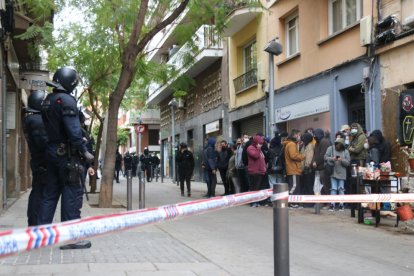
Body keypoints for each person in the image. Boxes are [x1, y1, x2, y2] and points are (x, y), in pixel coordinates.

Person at [39, 67, 94, 249]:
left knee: (50, 194)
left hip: (52, 151)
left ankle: (40, 237)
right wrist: (84, 151)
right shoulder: (67, 101)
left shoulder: (48, 100)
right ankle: (71, 239)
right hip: (67, 155)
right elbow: (73, 131)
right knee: (71, 194)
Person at [22, 90, 48, 226]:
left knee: (37, 191)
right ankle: (35, 223)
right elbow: (44, 143)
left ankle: (34, 222)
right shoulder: (37, 121)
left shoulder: (30, 119)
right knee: (40, 193)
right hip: (42, 161)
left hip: (37, 160)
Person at [325, 138, 350, 211]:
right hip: (333, 171)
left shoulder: (346, 152)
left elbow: (348, 163)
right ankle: (332, 204)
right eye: (337, 144)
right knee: (333, 189)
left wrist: (342, 160)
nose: (337, 146)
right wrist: (332, 158)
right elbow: (325, 157)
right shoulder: (331, 148)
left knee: (341, 189)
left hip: (342, 172)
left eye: (339, 145)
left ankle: (341, 204)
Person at [283, 129, 305, 208]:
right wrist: (303, 156)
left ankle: (294, 202)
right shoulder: (291, 144)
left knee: (295, 186)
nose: (299, 136)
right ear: (294, 135)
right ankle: (291, 202)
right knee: (294, 186)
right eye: (298, 135)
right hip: (293, 168)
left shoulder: (291, 144)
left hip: (293, 168)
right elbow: (293, 156)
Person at [247, 134, 266, 207]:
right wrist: (258, 149)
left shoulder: (260, 150)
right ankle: (253, 202)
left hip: (260, 172)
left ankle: (257, 201)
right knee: (254, 188)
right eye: (259, 143)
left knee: (258, 188)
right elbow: (255, 156)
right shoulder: (250, 148)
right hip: (254, 172)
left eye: (261, 143)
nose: (260, 145)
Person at [312, 128, 332, 196]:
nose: (314, 136)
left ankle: (328, 202)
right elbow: (315, 154)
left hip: (324, 167)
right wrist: (314, 162)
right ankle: (324, 201)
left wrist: (316, 162)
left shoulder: (324, 142)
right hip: (319, 167)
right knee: (321, 185)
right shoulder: (317, 143)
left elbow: (323, 154)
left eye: (315, 134)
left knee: (325, 185)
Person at [300, 132, 315, 196]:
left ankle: (309, 202)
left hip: (308, 169)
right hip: (304, 169)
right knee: (305, 185)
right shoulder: (304, 146)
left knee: (309, 185)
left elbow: (309, 156)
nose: (302, 141)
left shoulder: (310, 146)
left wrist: (307, 165)